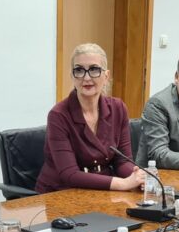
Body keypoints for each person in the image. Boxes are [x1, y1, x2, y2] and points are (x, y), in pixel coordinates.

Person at [36, 43, 145, 193]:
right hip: (61, 192)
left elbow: (122, 161)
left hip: (101, 191)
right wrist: (123, 184)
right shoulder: (58, 115)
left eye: (94, 69)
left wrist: (137, 177)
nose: (86, 77)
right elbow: (70, 175)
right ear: (72, 76)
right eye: (79, 70)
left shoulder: (118, 108)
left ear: (106, 76)